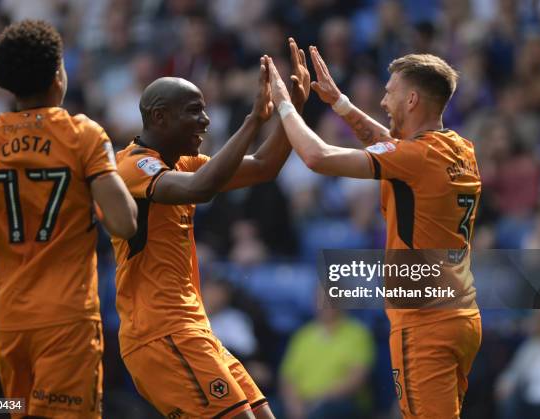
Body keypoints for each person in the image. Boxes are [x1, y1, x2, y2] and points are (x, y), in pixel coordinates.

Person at [267, 48, 482, 418]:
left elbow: (317, 156)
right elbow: (398, 151)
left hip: (424, 322)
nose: (383, 100)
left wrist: (285, 105)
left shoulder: (415, 157)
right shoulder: (460, 149)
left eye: (389, 92)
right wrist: (342, 104)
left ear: (411, 99)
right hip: (461, 314)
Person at [110, 38, 309, 419]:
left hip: (193, 329)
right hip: (159, 334)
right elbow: (201, 189)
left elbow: (266, 166)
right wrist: (253, 120)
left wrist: (291, 110)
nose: (205, 120)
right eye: (193, 112)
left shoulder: (181, 162)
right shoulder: (134, 167)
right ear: (159, 118)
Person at [0, 20, 138, 418]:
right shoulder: (83, 135)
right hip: (66, 319)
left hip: (8, 321)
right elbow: (124, 223)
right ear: (59, 73)